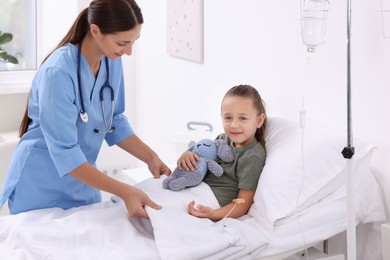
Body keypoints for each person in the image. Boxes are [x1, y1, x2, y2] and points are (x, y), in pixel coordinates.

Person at [0, 0, 171, 218]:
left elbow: (114, 120)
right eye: (122, 43)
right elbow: (65, 152)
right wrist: (123, 190)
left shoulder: (111, 61)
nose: (128, 51)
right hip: (41, 186)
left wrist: (151, 158)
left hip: (83, 182)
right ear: (96, 31)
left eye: (133, 42)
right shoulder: (58, 73)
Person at [177, 84, 267, 221]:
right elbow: (203, 159)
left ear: (259, 120)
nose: (234, 125)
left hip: (211, 199)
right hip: (195, 186)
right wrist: (187, 156)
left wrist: (214, 214)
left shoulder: (252, 156)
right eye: (228, 118)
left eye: (242, 118)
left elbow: (243, 203)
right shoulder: (222, 139)